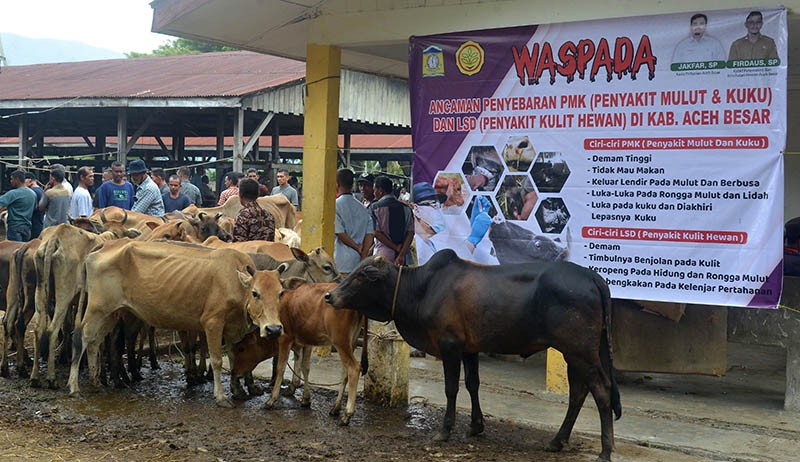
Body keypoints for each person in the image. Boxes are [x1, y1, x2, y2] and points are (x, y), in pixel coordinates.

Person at [412, 182, 495, 265]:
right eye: (434, 204)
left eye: (439, 205)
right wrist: (472, 240)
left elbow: (454, 259)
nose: (438, 211)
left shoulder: (430, 242)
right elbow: (446, 273)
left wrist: (471, 229)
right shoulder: (416, 247)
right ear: (416, 209)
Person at [334, 168, 374, 274]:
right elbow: (369, 234)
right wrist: (363, 254)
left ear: (337, 184)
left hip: (340, 261)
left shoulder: (334, 206)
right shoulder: (363, 208)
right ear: (353, 185)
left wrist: (356, 247)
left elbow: (340, 234)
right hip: (358, 262)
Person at [370, 176, 414, 265]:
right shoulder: (406, 208)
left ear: (380, 190)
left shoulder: (374, 208)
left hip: (382, 256)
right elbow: (410, 233)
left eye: (375, 190)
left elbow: (376, 233)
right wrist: (401, 254)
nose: (374, 193)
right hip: (403, 257)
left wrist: (395, 247)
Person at [233, 178, 275, 242]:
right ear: (258, 194)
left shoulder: (243, 216)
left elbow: (238, 242)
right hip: (268, 250)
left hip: (249, 251)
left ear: (240, 194)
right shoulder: (269, 215)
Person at [0, 170, 36, 241]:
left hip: (15, 227)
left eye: (12, 179)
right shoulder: (32, 194)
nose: (11, 181)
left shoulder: (13, 194)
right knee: (23, 250)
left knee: (14, 250)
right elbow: (34, 208)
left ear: (17, 179)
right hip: (27, 228)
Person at [25, 172, 44, 239]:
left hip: (33, 224)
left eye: (24, 180)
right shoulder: (41, 190)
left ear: (30, 180)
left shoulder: (33, 192)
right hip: (40, 222)